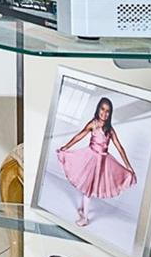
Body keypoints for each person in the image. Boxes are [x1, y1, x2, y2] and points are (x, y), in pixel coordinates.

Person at [55, 96, 137, 227]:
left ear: (110, 114)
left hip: (103, 163)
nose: (104, 113)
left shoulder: (109, 130)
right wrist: (66, 147)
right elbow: (79, 136)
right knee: (88, 188)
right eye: (102, 109)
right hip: (90, 158)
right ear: (98, 109)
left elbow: (120, 148)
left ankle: (84, 216)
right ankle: (84, 215)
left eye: (107, 111)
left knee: (90, 188)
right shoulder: (93, 124)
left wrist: (128, 166)